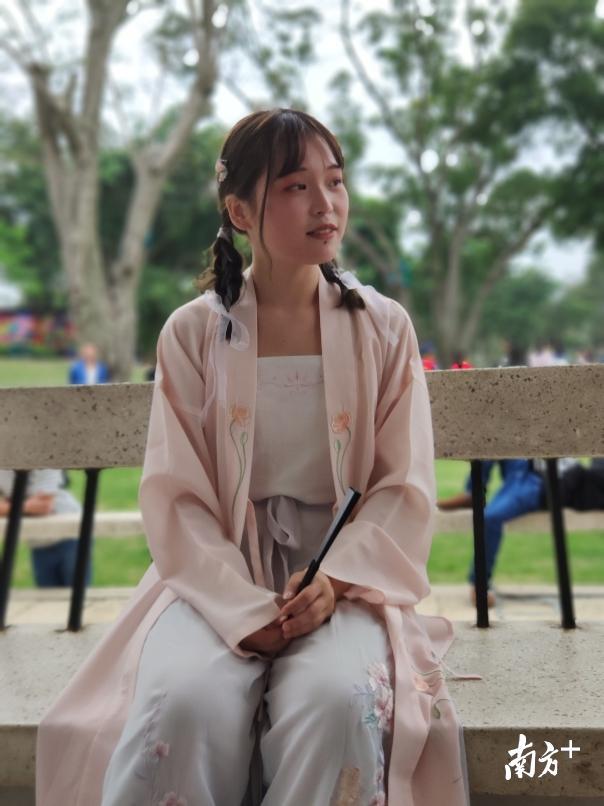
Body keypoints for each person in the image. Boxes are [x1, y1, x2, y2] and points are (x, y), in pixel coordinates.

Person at [36, 108, 479, 806]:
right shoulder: (194, 333)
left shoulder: (383, 328)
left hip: (345, 577)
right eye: (296, 186)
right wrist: (243, 607)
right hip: (216, 572)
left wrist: (334, 578)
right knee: (184, 704)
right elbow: (177, 495)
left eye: (334, 181)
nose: (325, 203)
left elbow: (402, 484)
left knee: (339, 701)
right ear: (240, 211)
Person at [438, 458, 581, 607]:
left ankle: (480, 584)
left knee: (491, 518)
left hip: (540, 479)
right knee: (492, 444)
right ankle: (473, 492)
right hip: (523, 468)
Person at [0, 468, 91, 588]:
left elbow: (44, 506)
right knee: (47, 593)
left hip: (70, 534)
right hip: (38, 541)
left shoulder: (45, 461)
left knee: (76, 590)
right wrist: (28, 505)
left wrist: (8, 507)